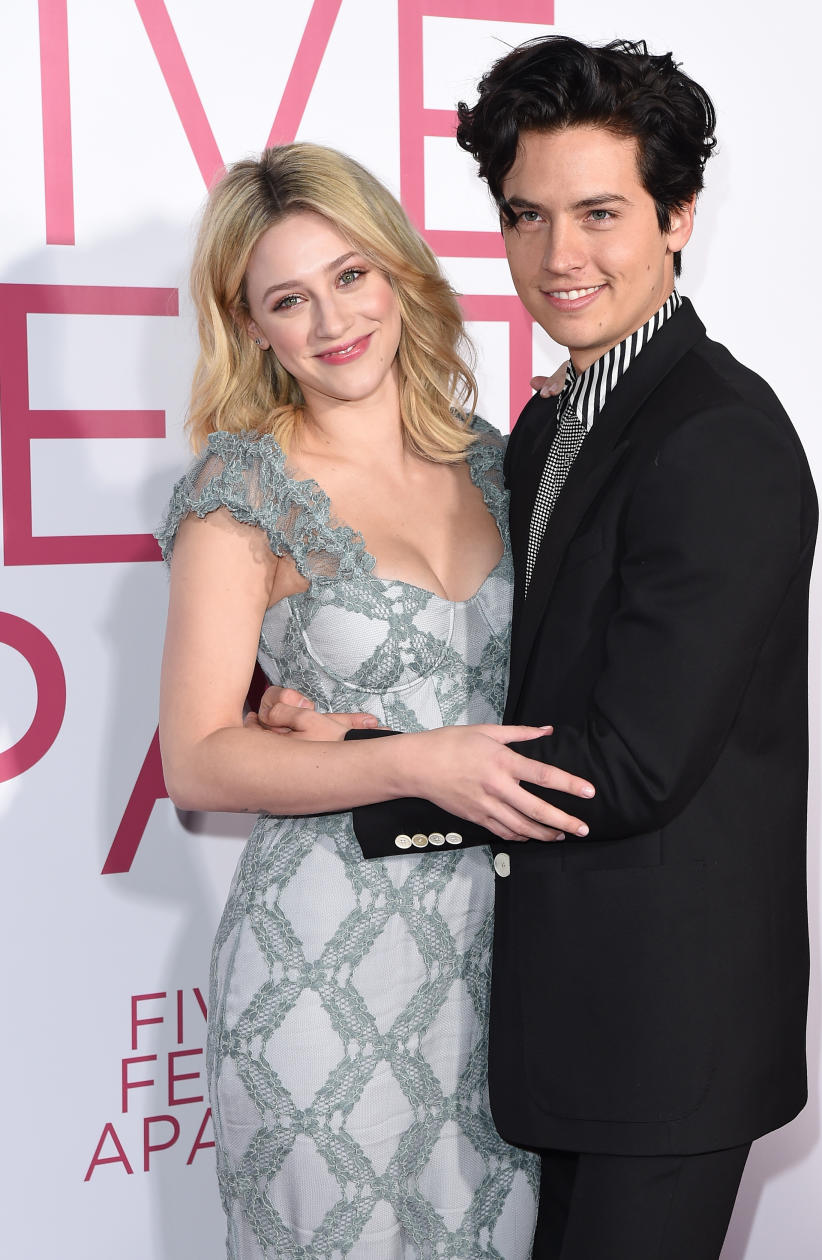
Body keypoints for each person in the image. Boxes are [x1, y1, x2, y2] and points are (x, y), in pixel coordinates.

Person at [260, 36, 818, 1260]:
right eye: (527, 216)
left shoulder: (718, 436)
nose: (561, 258)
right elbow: (526, 665)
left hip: (663, 1038)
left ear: (678, 216)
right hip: (556, 1027)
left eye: (601, 213)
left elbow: (625, 766)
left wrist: (373, 762)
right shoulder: (548, 420)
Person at [155, 141, 596, 1259]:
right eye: (287, 299)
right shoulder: (243, 486)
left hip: (504, 962)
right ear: (251, 326)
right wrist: (413, 759)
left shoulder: (501, 460)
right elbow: (199, 760)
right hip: (319, 958)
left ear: (398, 270)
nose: (332, 321)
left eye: (351, 276)